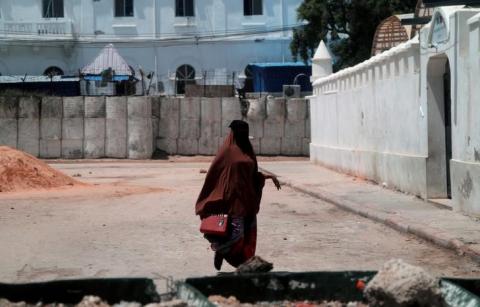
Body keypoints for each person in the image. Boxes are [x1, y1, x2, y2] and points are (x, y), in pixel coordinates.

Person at [195, 120, 281, 270]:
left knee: (249, 236)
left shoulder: (248, 150)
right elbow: (216, 172)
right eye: (238, 131)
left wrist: (267, 177)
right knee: (236, 237)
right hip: (233, 202)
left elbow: (252, 174)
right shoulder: (227, 150)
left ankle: (246, 266)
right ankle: (222, 251)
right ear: (233, 132)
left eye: (244, 131)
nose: (241, 135)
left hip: (248, 201)